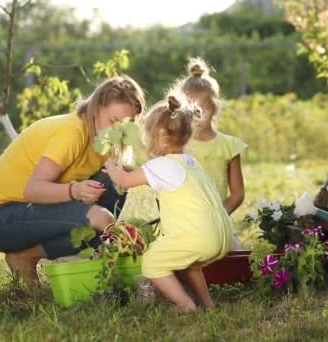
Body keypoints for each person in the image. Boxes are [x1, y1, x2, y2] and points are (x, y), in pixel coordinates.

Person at [0, 76, 146, 284]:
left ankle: (29, 256)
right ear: (96, 108)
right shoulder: (72, 133)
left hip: (34, 209)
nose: (116, 131)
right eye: (112, 121)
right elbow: (32, 190)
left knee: (114, 183)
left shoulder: (104, 139)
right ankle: (36, 257)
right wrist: (74, 191)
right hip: (1, 217)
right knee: (100, 218)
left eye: (124, 125)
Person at [104, 95, 233, 312]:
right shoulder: (190, 162)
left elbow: (125, 181)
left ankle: (185, 305)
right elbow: (141, 174)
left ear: (160, 137)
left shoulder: (162, 165)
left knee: (152, 262)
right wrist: (128, 170)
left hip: (197, 238)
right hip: (221, 236)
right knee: (190, 265)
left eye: (147, 135)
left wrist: (110, 165)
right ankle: (207, 305)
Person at [172, 57, 247, 249]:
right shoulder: (178, 145)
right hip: (186, 224)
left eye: (202, 108)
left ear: (214, 106)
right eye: (191, 109)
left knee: (234, 257)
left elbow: (238, 193)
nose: (196, 115)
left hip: (219, 223)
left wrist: (219, 214)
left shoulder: (229, 146)